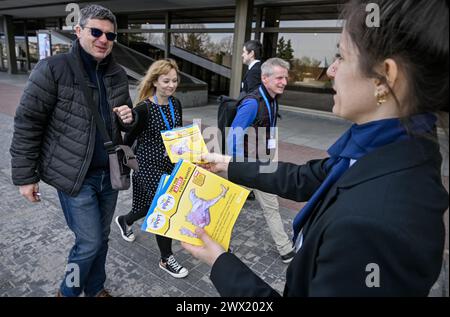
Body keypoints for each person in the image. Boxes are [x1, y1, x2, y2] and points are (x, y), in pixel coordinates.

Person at [183, 0, 449, 296]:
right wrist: (226, 163)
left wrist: (219, 261)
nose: (331, 70)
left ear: (385, 78)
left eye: (341, 57)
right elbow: (304, 178)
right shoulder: (388, 147)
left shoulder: (372, 229)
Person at [10, 4, 134, 297]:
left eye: (110, 35)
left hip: (110, 175)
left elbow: (124, 118)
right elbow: (28, 122)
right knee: (88, 243)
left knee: (101, 239)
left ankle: (95, 288)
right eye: (96, 32)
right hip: (75, 178)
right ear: (78, 31)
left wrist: (130, 118)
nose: (104, 39)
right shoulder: (53, 68)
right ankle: (68, 291)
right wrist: (26, 177)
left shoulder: (116, 73)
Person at [114, 58, 189, 279]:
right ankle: (166, 258)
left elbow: (176, 132)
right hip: (147, 165)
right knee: (163, 207)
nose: (171, 85)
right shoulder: (144, 108)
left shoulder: (176, 104)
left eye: (174, 81)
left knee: (148, 207)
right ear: (155, 81)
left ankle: (124, 220)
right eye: (166, 81)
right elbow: (128, 134)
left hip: (170, 163)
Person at [227, 57, 296, 264]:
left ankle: (285, 248)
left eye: (285, 77)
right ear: (265, 78)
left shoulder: (272, 98)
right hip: (246, 165)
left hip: (262, 162)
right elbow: (233, 136)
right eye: (279, 78)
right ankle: (219, 242)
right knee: (229, 206)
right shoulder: (251, 103)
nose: (284, 82)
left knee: (271, 205)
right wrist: (238, 166)